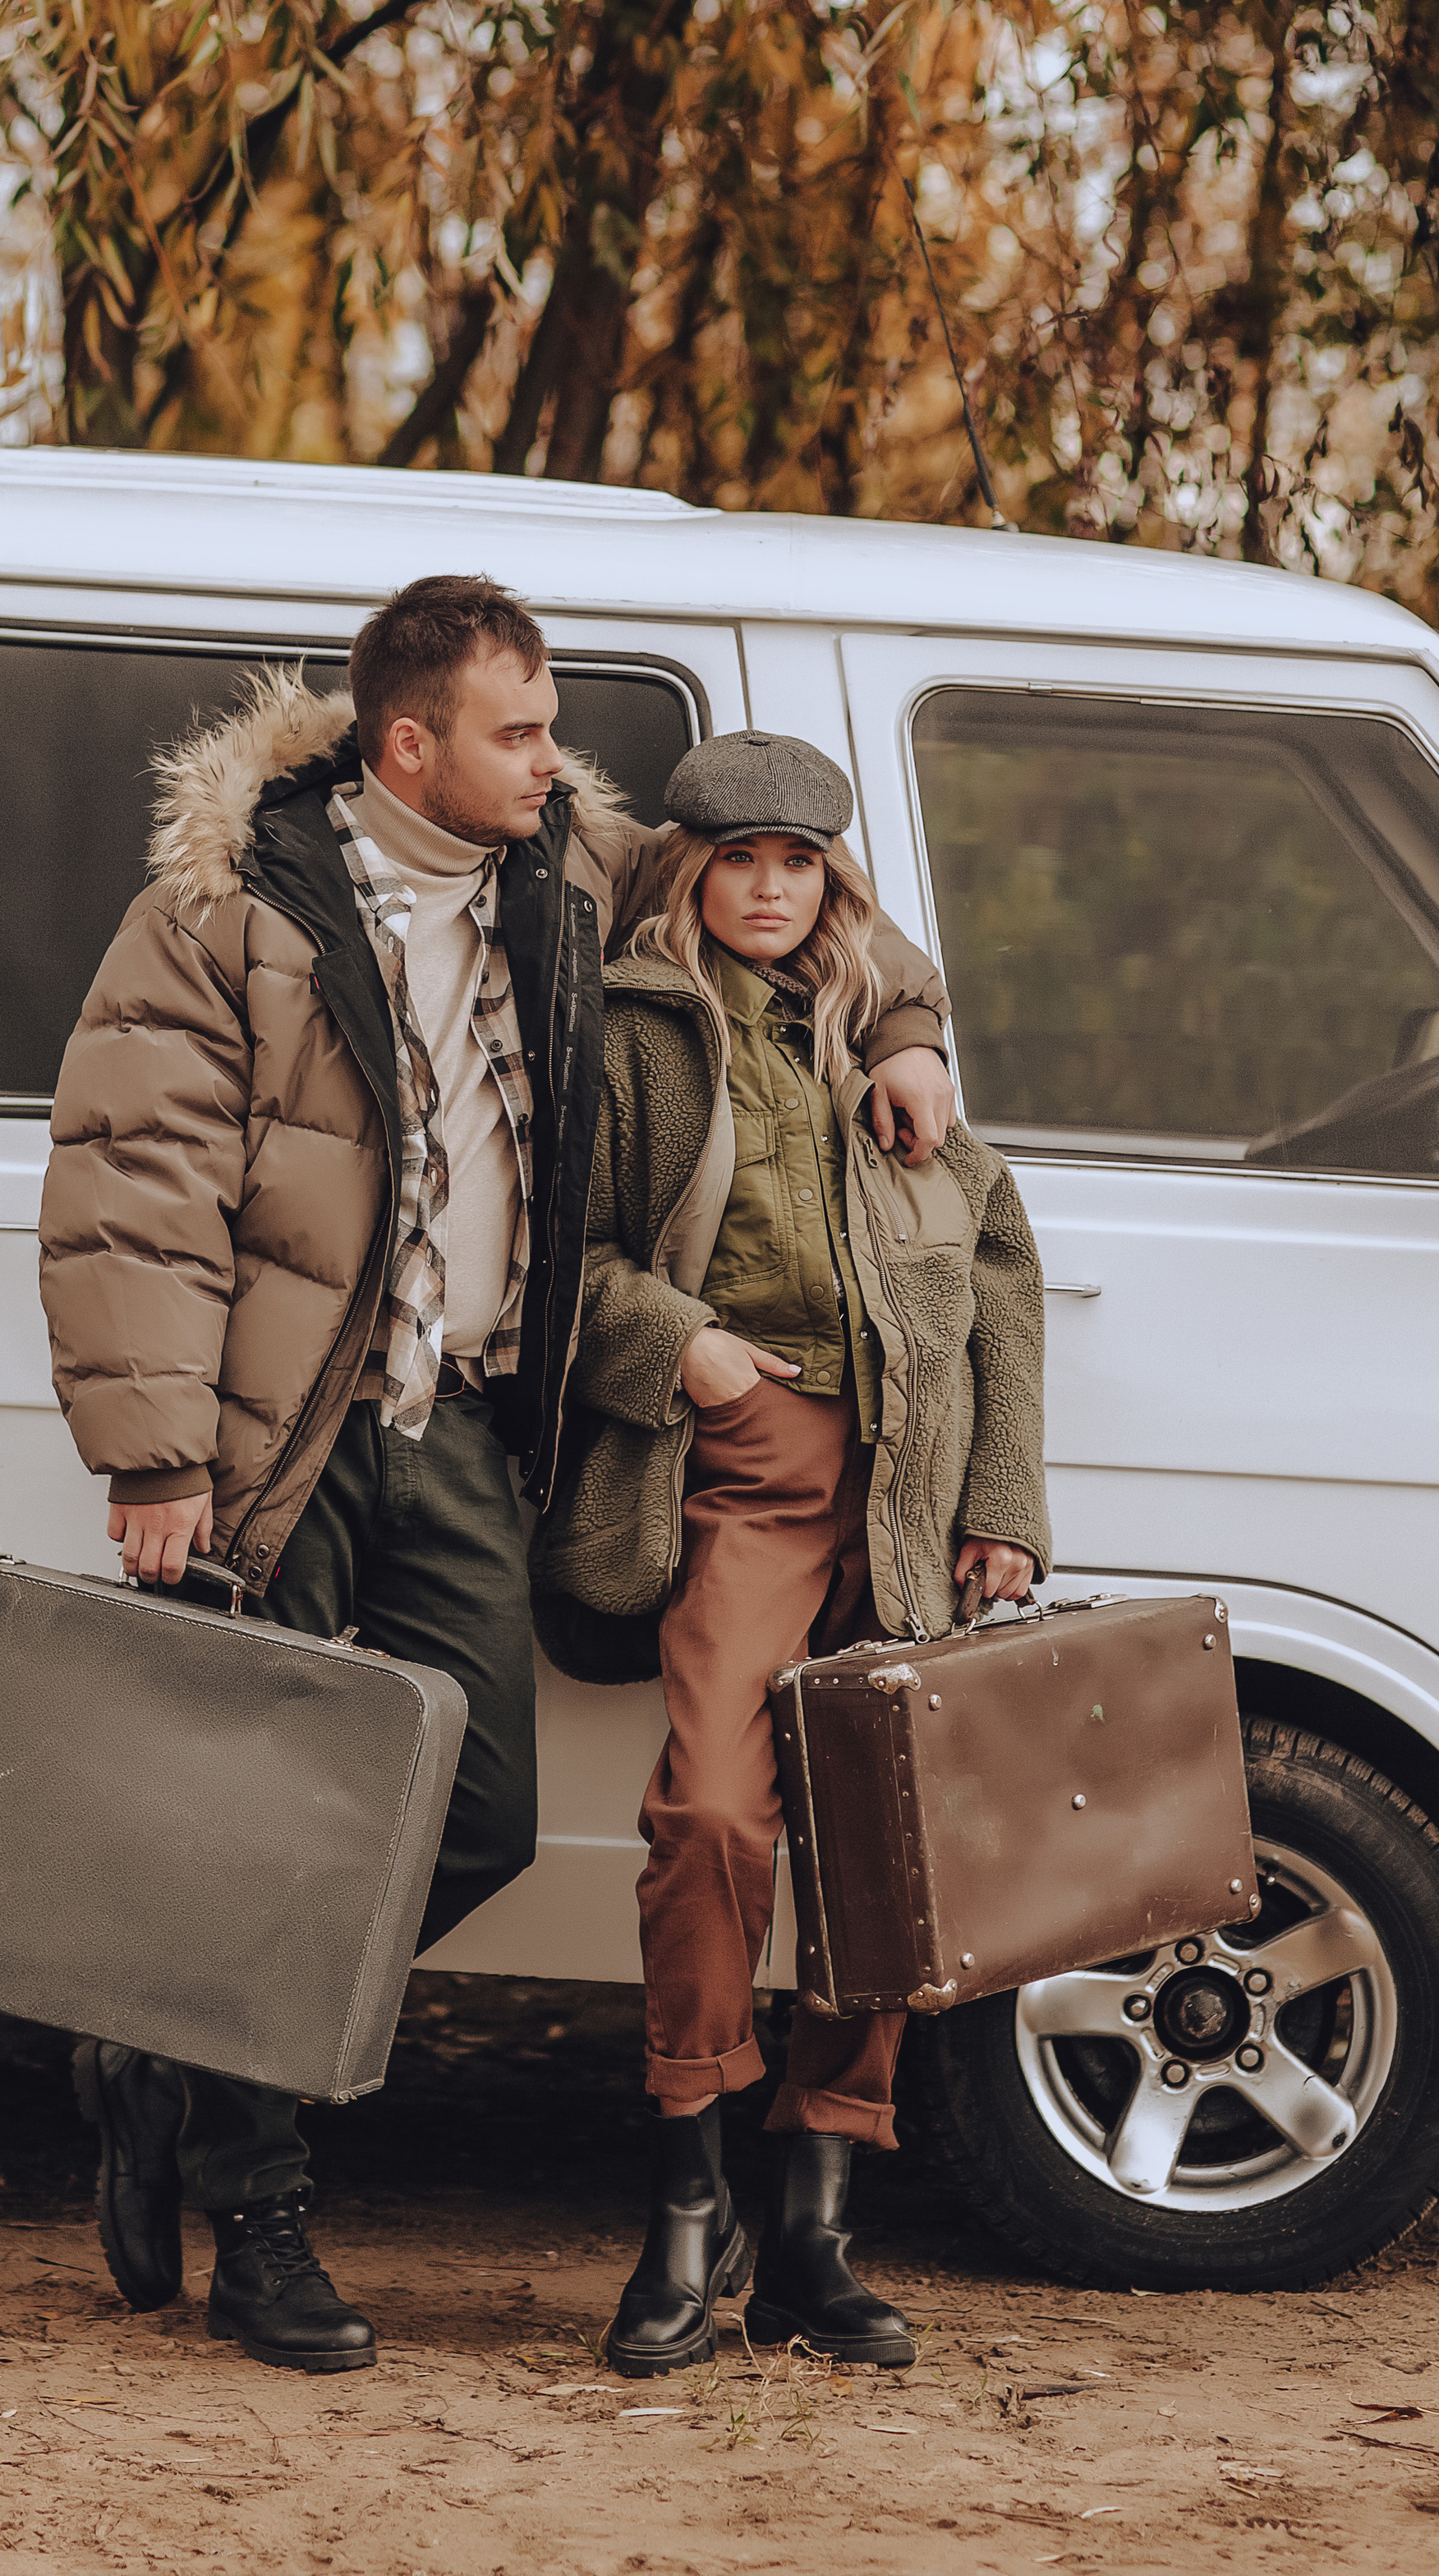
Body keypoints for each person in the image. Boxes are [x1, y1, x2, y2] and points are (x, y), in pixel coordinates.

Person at [37, 582, 961, 2372]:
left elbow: (799, 906)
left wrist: (910, 1031)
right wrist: (149, 1454)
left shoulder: (565, 870)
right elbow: (130, 1175)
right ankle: (265, 2222)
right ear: (411, 745)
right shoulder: (226, 909)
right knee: (274, 1810)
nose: (554, 761)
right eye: (519, 731)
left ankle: (162, 2052)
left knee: (466, 1810)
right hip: (278, 1430)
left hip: (460, 1425)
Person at [531, 729, 1050, 2376]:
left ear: (832, 881)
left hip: (909, 1478)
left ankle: (816, 2217)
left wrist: (1002, 1505)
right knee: (707, 1813)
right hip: (747, 1467)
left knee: (886, 1840)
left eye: (796, 862)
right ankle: (691, 2185)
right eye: (734, 858)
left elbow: (996, 1261)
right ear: (683, 864)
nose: (765, 886)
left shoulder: (883, 1038)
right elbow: (572, 1256)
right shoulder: (627, 1032)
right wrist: (671, 1342)